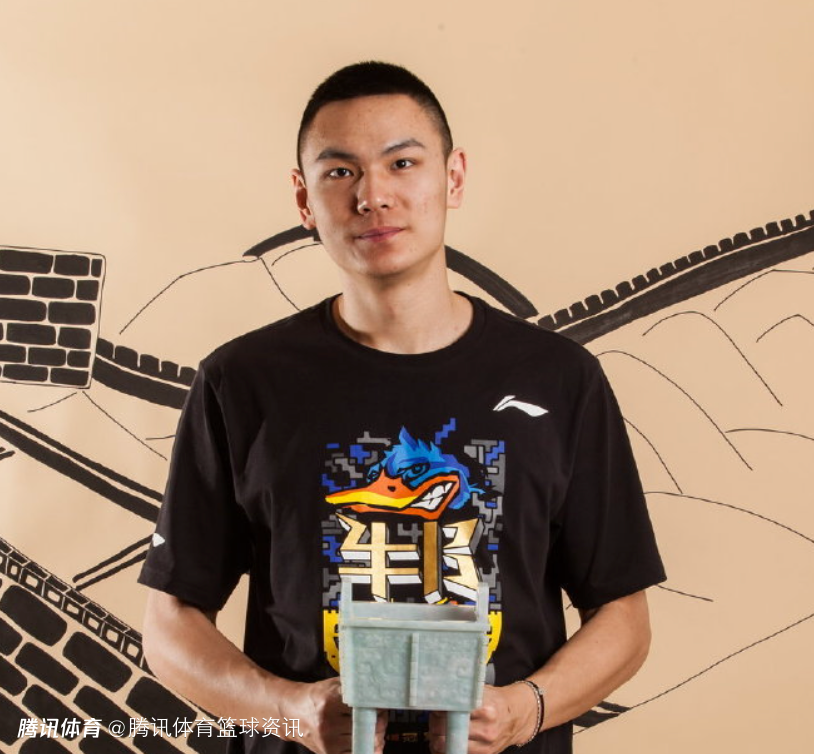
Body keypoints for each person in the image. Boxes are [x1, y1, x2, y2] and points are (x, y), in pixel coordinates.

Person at [139, 61, 665, 754]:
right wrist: (290, 710)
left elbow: (623, 613)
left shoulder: (559, 379)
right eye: (340, 172)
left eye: (402, 163)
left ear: (454, 177)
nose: (373, 196)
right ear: (304, 200)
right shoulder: (241, 381)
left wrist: (524, 711)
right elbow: (170, 622)